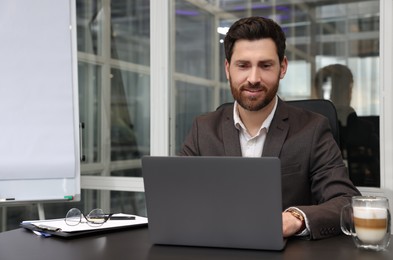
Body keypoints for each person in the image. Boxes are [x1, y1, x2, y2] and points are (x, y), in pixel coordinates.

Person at [180, 16, 361, 240]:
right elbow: (178, 198)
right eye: (243, 65)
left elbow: (347, 201)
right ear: (228, 69)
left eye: (265, 65)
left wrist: (295, 217)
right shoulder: (203, 129)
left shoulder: (313, 129)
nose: (253, 78)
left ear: (282, 67)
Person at [314, 64, 380, 186]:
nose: (339, 92)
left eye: (343, 87)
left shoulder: (365, 129)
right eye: (338, 87)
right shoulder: (309, 129)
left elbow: (377, 168)